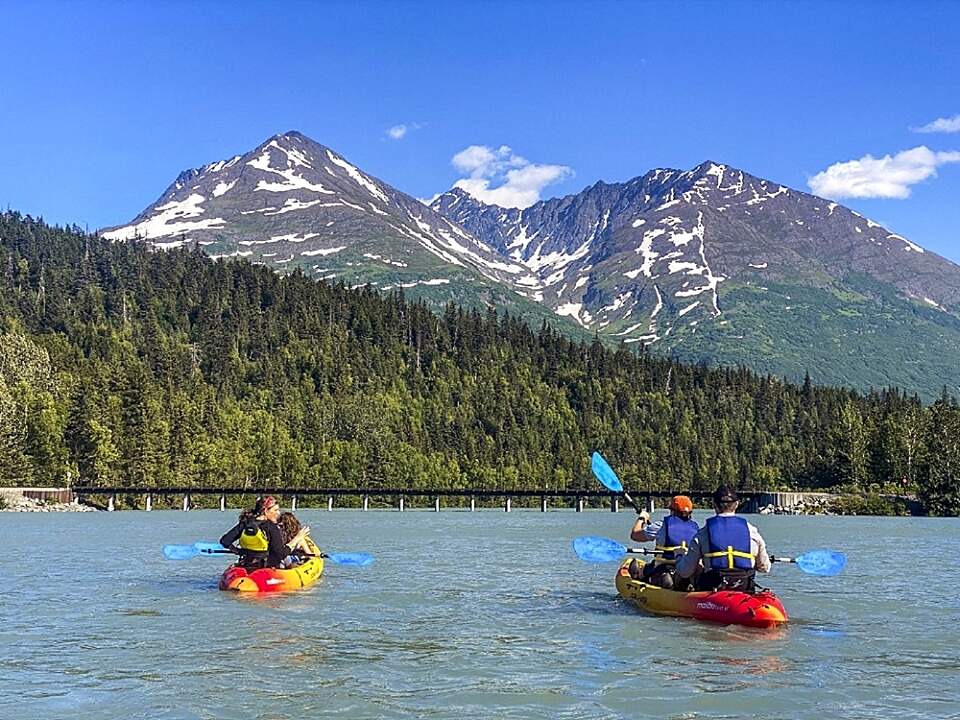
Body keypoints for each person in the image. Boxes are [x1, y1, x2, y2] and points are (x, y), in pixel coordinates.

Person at [675, 484, 771, 593]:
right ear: (736, 504)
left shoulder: (702, 534)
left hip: (713, 588)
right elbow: (765, 568)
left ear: (714, 505)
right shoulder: (753, 532)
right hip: (744, 587)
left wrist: (679, 556)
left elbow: (685, 572)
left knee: (698, 567)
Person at [219, 496, 310, 570]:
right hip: (266, 566)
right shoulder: (271, 527)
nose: (278, 514)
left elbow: (225, 541)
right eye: (275, 510)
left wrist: (238, 551)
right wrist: (297, 538)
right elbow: (281, 554)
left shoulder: (246, 523)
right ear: (266, 511)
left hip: (247, 563)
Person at [628, 495, 699, 590]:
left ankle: (641, 577)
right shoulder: (696, 528)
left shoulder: (660, 526)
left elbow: (635, 535)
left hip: (662, 568)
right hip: (687, 569)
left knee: (638, 568)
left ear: (672, 511)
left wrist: (641, 518)